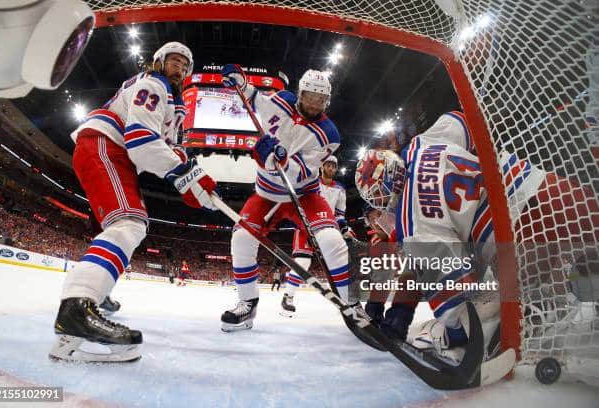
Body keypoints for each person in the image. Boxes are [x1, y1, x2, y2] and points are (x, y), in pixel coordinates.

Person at [356, 111, 598, 359]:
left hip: (517, 240)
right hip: (539, 185)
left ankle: (538, 308)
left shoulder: (412, 222)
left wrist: (447, 330)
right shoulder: (423, 141)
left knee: (473, 322)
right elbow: (464, 119)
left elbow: (459, 304)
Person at [49, 42, 218, 362]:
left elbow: (168, 152)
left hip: (112, 152)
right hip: (105, 145)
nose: (179, 67)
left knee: (123, 225)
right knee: (129, 222)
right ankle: (76, 308)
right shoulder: (155, 84)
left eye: (184, 64)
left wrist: (197, 187)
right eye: (173, 61)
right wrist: (185, 175)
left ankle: (91, 303)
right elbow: (142, 142)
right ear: (159, 62)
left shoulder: (174, 104)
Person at [219, 65, 356, 332]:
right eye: (310, 96)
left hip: (304, 194)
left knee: (331, 240)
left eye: (320, 99)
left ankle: (352, 305)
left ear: (326, 101)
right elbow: (258, 100)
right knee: (241, 237)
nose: (314, 104)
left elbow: (304, 171)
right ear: (300, 94)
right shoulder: (282, 100)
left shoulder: (330, 134)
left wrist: (280, 160)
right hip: (267, 194)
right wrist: (241, 83)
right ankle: (247, 304)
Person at [280, 155, 350, 316]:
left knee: (336, 264)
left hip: (328, 229)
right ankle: (288, 297)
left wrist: (344, 228)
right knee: (302, 262)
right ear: (322, 166)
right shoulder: (312, 182)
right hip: (306, 225)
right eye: (328, 165)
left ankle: (345, 301)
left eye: (334, 166)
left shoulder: (340, 189)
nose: (331, 168)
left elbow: (340, 214)